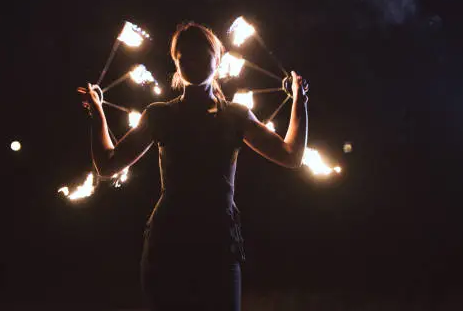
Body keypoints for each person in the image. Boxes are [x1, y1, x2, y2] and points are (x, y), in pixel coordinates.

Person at [83, 22, 308, 311]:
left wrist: (299, 102)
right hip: (168, 245)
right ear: (176, 63)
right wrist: (96, 111)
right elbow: (107, 166)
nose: (193, 62)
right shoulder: (159, 115)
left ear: (217, 58)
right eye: (184, 56)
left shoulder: (235, 116)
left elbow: (291, 156)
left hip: (218, 246)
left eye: (201, 55)